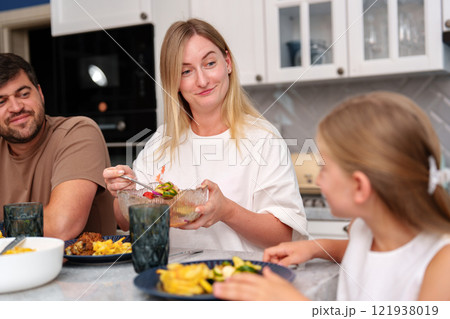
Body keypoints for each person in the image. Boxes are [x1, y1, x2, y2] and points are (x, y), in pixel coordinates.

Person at [213, 91, 450, 301]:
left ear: (359, 187)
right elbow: (365, 253)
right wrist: (316, 247)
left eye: (324, 168)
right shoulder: (363, 228)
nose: (317, 180)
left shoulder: (441, 267)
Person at [103, 18, 308, 252]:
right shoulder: (162, 141)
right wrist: (126, 194)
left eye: (210, 63)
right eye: (186, 71)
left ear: (227, 62)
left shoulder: (263, 138)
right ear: (175, 82)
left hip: (239, 281)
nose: (202, 81)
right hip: (171, 282)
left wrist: (227, 211)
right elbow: (124, 222)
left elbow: (283, 237)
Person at [0, 53, 116, 241]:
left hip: (85, 270)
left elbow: (62, 225)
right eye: (1, 101)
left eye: (23, 94)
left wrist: (4, 228)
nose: (16, 107)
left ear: (40, 93)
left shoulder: (77, 132)